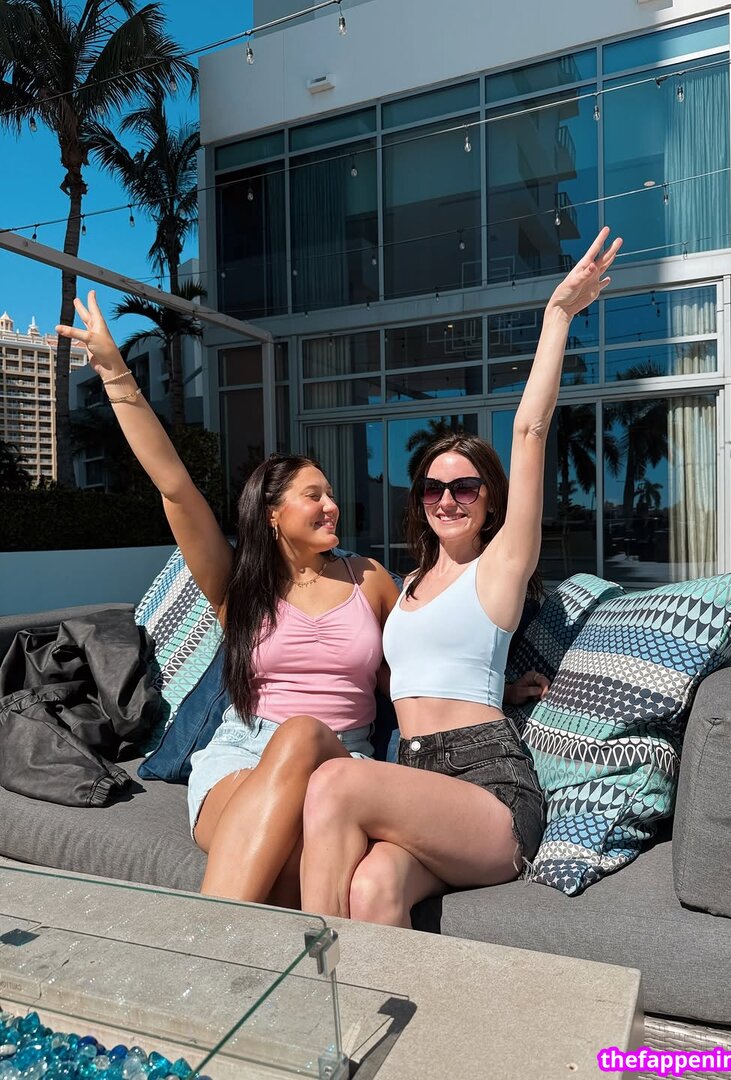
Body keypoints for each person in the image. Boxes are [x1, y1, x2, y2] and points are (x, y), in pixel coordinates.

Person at [299, 227, 622, 926]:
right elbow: (421, 675)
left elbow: (530, 431)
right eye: (433, 488)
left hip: (489, 785)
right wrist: (503, 687)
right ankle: (374, 1001)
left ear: (490, 501)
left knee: (334, 783)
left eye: (465, 487)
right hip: (417, 781)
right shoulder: (408, 586)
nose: (447, 499)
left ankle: (302, 982)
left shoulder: (499, 568)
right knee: (373, 888)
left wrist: (557, 315)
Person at [56, 295, 401, 907]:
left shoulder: (370, 579)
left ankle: (204, 949)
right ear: (272, 515)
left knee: (303, 737)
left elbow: (413, 672)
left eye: (330, 494)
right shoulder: (241, 588)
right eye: (313, 495)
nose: (332, 505)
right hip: (243, 755)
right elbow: (175, 488)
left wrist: (503, 688)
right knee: (290, 871)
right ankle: (223, 950)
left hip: (344, 763)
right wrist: (115, 374)